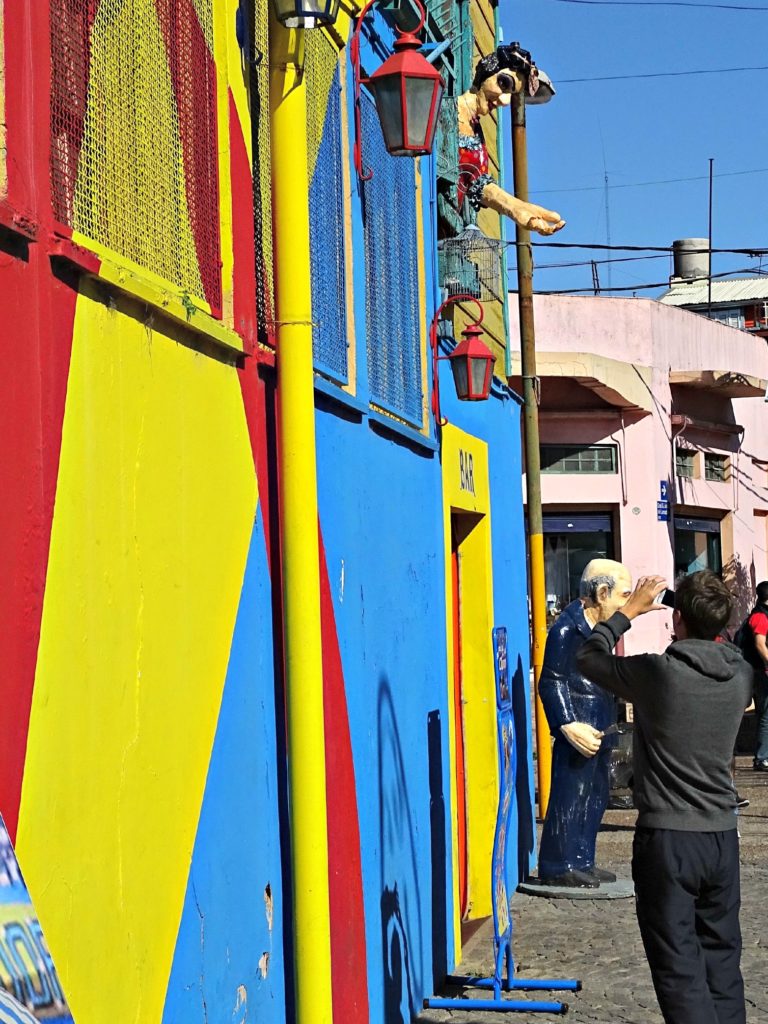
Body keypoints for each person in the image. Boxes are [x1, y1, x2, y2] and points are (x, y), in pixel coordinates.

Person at [577, 570, 753, 1024]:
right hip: (721, 835)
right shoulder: (741, 676)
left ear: (678, 619)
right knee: (722, 963)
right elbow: (728, 644)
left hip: (669, 838)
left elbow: (589, 659)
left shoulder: (658, 673)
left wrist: (626, 613)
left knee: (678, 966)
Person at [537, 559, 633, 887]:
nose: (626, 605)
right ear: (602, 593)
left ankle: (582, 859)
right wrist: (566, 723)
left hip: (601, 726)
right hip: (579, 730)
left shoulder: (601, 632)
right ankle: (556, 863)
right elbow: (551, 680)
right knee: (570, 795)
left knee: (596, 795)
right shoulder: (566, 629)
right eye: (623, 596)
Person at [739, 580, 768, 771]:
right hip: (761, 671)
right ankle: (762, 758)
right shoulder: (760, 616)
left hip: (760, 670)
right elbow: (759, 643)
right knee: (766, 715)